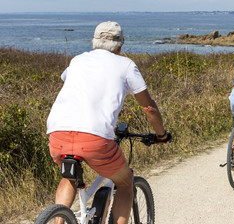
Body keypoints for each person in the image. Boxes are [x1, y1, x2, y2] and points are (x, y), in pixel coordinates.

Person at [46, 21, 168, 224]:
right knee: (126, 181)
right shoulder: (126, 65)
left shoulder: (77, 60)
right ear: (120, 45)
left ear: (94, 42)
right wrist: (161, 135)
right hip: (95, 139)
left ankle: (60, 219)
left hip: (58, 134)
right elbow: (149, 108)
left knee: (70, 177)